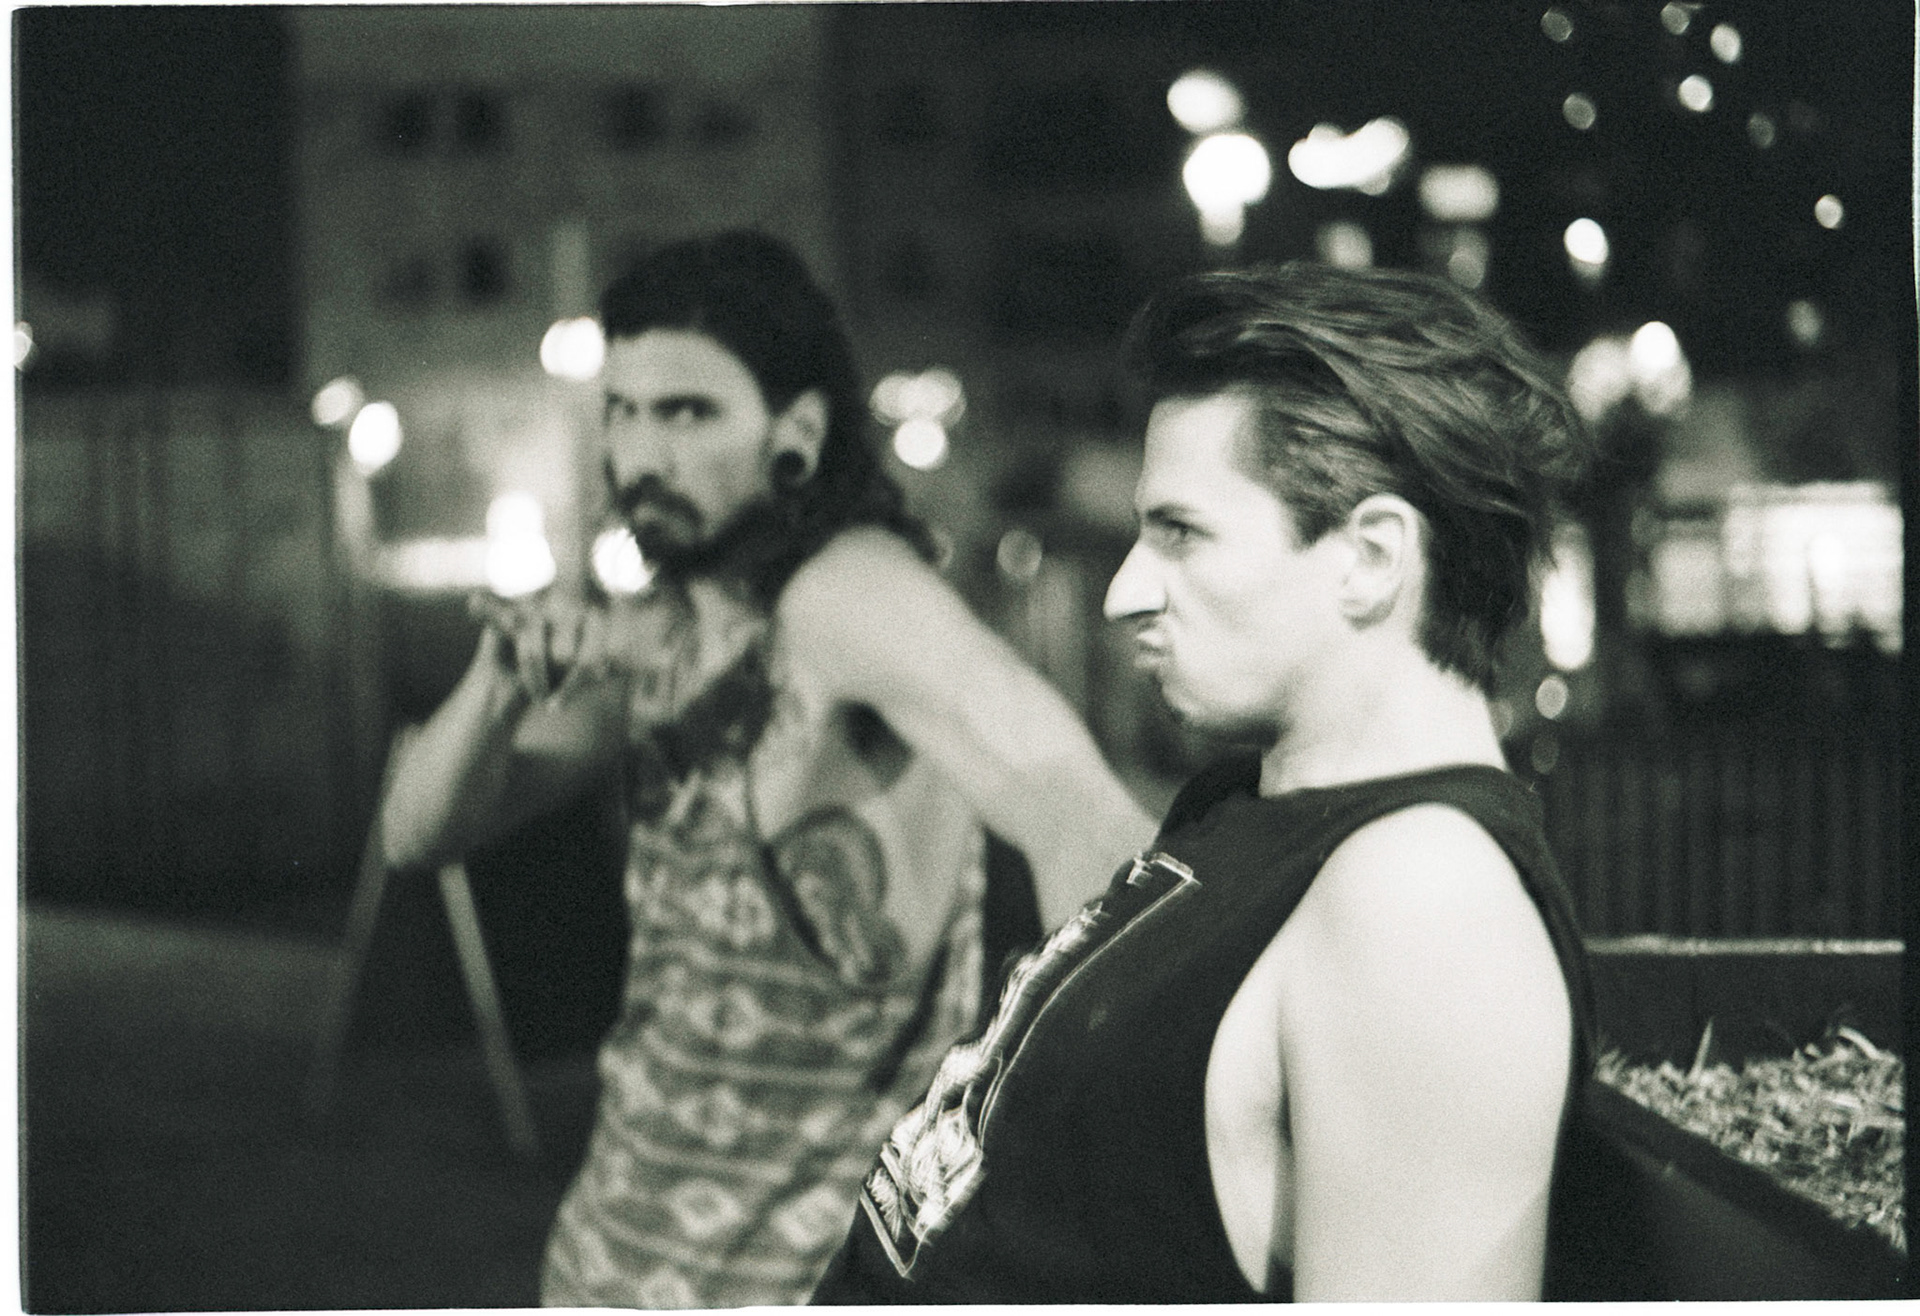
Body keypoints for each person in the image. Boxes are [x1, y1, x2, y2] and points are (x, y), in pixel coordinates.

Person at [378, 230, 1156, 1308]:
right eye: (623, 410)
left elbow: (1096, 832)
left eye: (689, 413)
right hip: (610, 1257)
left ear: (797, 432)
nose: (641, 454)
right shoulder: (672, 621)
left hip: (799, 1280)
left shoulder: (850, 595)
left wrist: (1050, 1156)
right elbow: (417, 834)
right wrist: (500, 682)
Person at [811, 260, 1601, 1303]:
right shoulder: (1257, 808)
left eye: (1181, 534)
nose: (1128, 592)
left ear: (1371, 557)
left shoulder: (1426, 903)